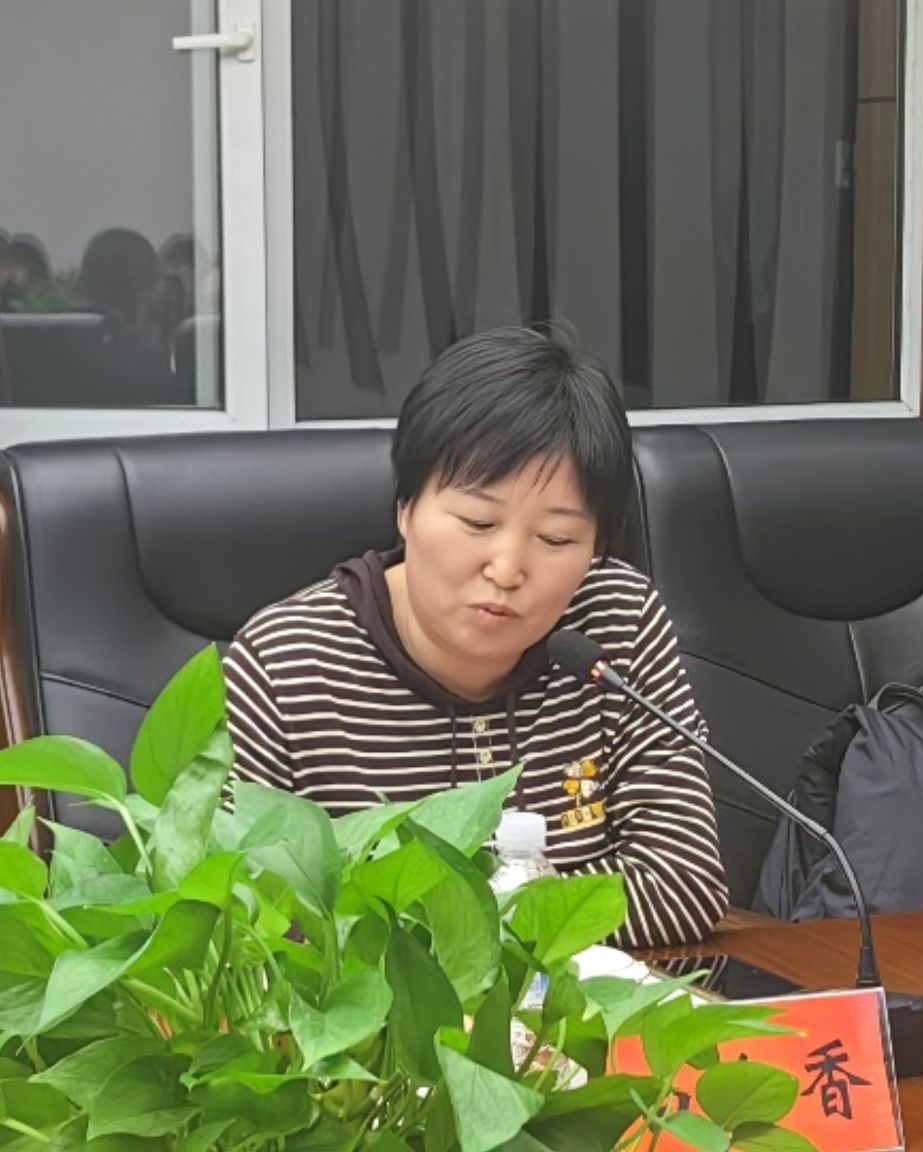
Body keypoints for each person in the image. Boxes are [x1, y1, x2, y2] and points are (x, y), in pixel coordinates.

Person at [225, 325, 729, 947]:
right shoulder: (284, 664)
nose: (508, 568)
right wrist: (539, 914)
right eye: (478, 522)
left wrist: (434, 925)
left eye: (556, 539)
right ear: (406, 507)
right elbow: (240, 925)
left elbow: (684, 884)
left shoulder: (614, 623)